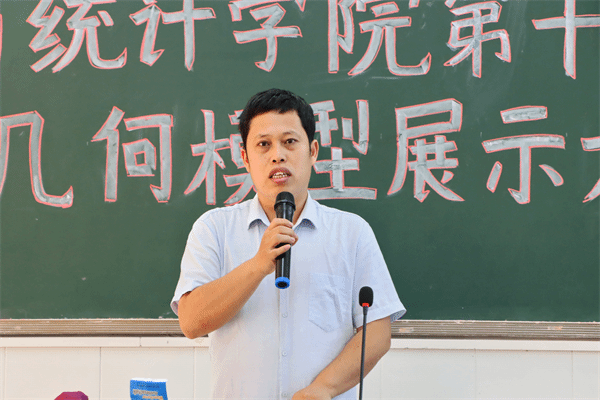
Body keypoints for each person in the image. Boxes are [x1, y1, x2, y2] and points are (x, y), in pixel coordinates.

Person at [171, 88, 405, 400]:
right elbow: (191, 322)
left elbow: (376, 333)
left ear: (313, 151)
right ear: (245, 157)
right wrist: (257, 265)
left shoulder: (351, 232)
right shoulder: (214, 229)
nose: (277, 155)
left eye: (290, 142)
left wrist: (323, 389)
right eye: (263, 144)